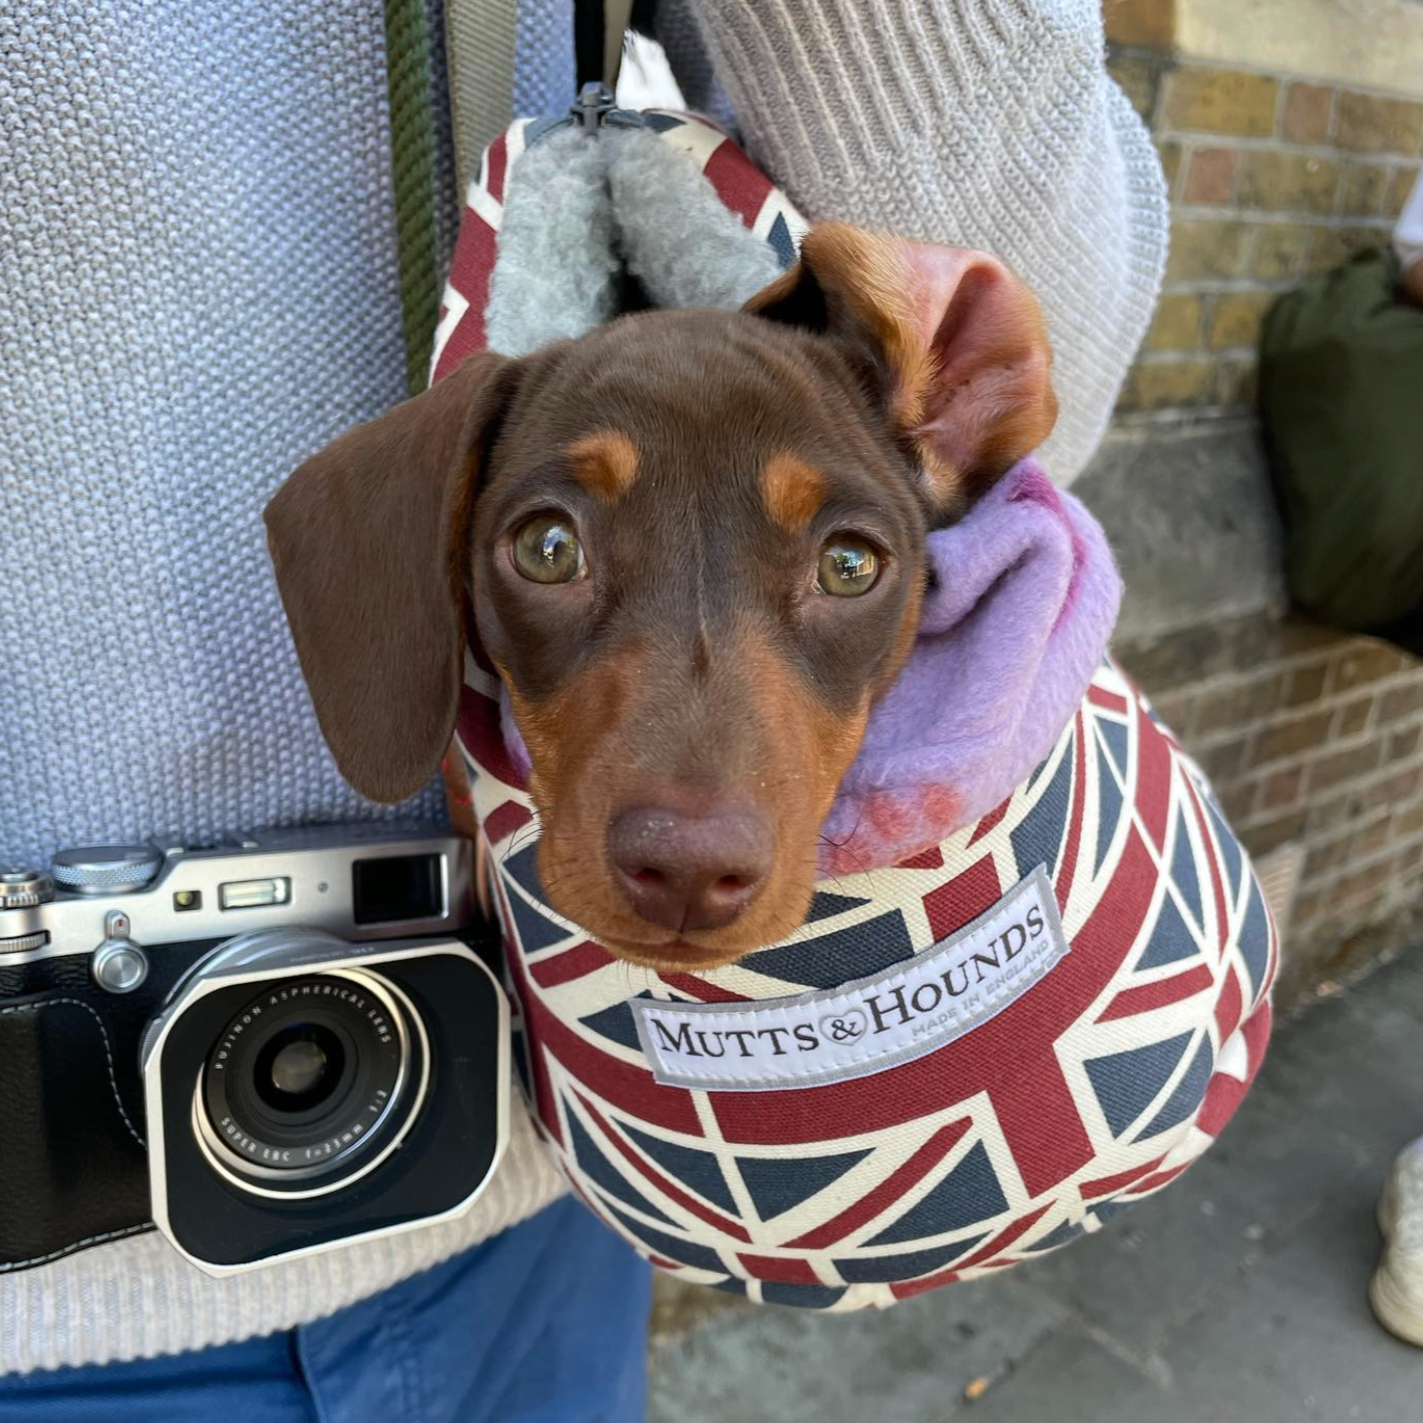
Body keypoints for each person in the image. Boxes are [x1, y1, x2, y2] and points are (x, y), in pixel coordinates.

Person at [0, 1, 1164, 1416]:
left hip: (537, 1174)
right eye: (548, 547)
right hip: (51, 1299)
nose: (692, 822)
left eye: (845, 558)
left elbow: (1049, 387)